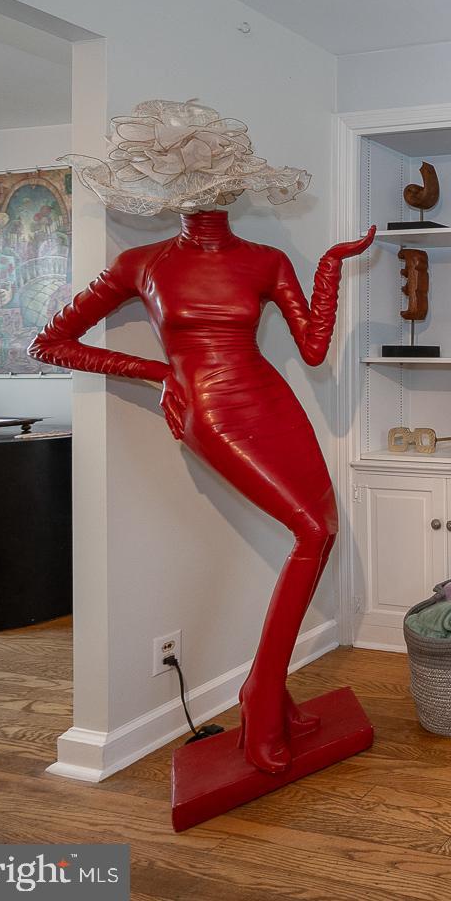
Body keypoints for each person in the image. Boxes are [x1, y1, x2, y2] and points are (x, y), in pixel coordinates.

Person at [31, 99, 373, 774]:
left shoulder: (267, 259)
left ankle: (268, 689)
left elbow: (310, 349)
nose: (205, 201)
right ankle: (258, 693)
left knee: (323, 530)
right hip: (210, 412)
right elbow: (52, 342)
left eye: (216, 189)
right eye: (193, 189)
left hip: (268, 398)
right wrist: (160, 371)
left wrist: (330, 265)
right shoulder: (143, 262)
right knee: (312, 532)